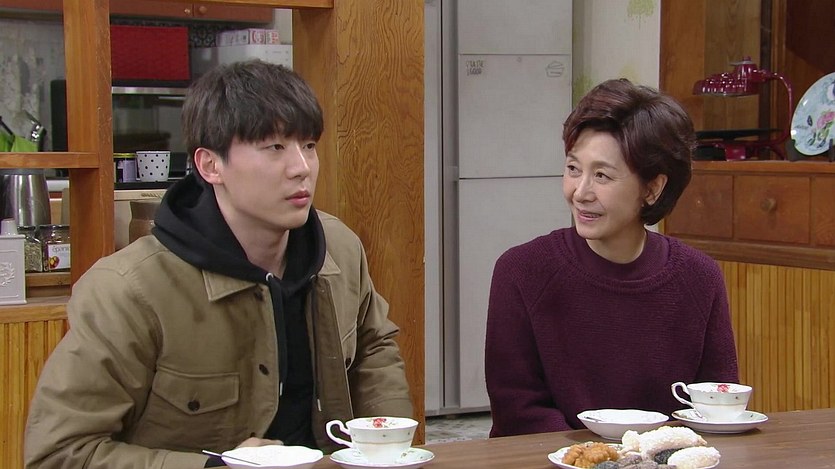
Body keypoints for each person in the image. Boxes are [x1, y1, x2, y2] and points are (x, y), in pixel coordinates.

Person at [24, 60, 413, 468]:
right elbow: (59, 454)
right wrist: (218, 466)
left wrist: (387, 448)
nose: (302, 168)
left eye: (309, 145)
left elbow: (374, 348)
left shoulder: (339, 249)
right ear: (210, 165)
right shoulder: (128, 290)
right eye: (275, 147)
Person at [484, 78, 739, 437]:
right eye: (573, 169)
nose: (580, 192)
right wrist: (597, 457)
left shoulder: (699, 277)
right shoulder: (522, 271)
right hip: (551, 459)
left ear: (653, 188)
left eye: (601, 175)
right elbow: (517, 410)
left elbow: (716, 404)